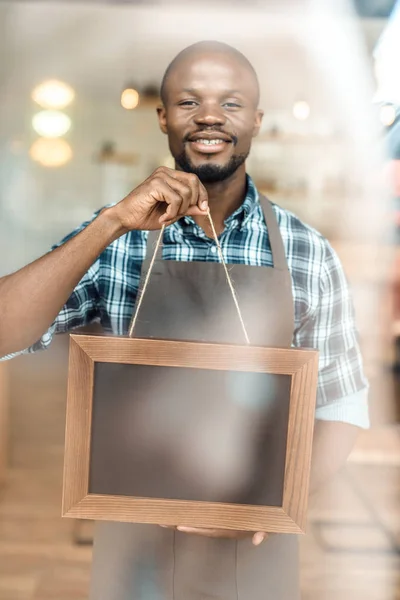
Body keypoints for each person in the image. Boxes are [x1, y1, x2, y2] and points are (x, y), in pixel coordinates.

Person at [0, 41, 369, 599]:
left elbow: (340, 408)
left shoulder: (306, 251)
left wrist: (273, 502)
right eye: (189, 101)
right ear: (164, 117)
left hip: (255, 547)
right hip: (133, 544)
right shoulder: (117, 244)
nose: (211, 116)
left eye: (232, 102)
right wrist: (109, 224)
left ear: (257, 120)